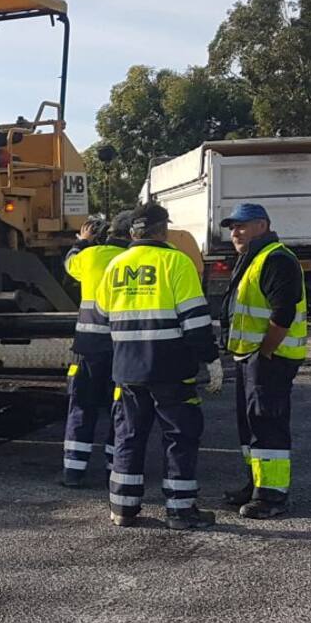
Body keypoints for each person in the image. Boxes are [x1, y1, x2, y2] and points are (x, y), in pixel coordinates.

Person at [94, 201, 223, 529]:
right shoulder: (176, 262)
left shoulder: (115, 266)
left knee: (129, 435)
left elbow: (103, 315)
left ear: (133, 232)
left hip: (127, 370)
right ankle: (180, 510)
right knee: (180, 436)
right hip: (170, 370)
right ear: (163, 230)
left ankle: (123, 508)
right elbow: (195, 321)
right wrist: (210, 359)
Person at [219, 202, 306, 519]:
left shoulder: (277, 259)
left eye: (241, 225)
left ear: (262, 226)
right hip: (250, 356)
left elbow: (283, 314)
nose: (235, 232)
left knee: (267, 424)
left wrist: (266, 351)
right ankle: (256, 484)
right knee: (251, 423)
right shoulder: (253, 257)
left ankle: (272, 496)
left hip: (270, 357)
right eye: (231, 227)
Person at [60, 212, 131, 487]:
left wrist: (82, 241)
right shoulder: (132, 260)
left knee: (81, 405)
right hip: (122, 347)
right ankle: (115, 468)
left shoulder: (90, 257)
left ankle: (73, 472)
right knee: (120, 408)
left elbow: (69, 264)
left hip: (88, 347)